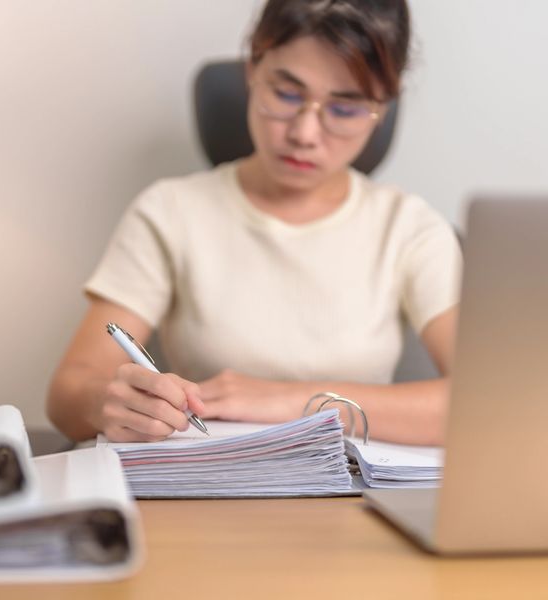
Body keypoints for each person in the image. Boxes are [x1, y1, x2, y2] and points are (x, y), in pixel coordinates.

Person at [47, 0, 461, 446]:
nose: (305, 132)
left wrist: (300, 402)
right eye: (285, 94)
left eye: (345, 109)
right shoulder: (170, 211)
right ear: (252, 70)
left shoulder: (410, 227)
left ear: (384, 105)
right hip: (208, 494)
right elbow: (69, 392)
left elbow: (485, 401)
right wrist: (112, 403)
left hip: (353, 502)